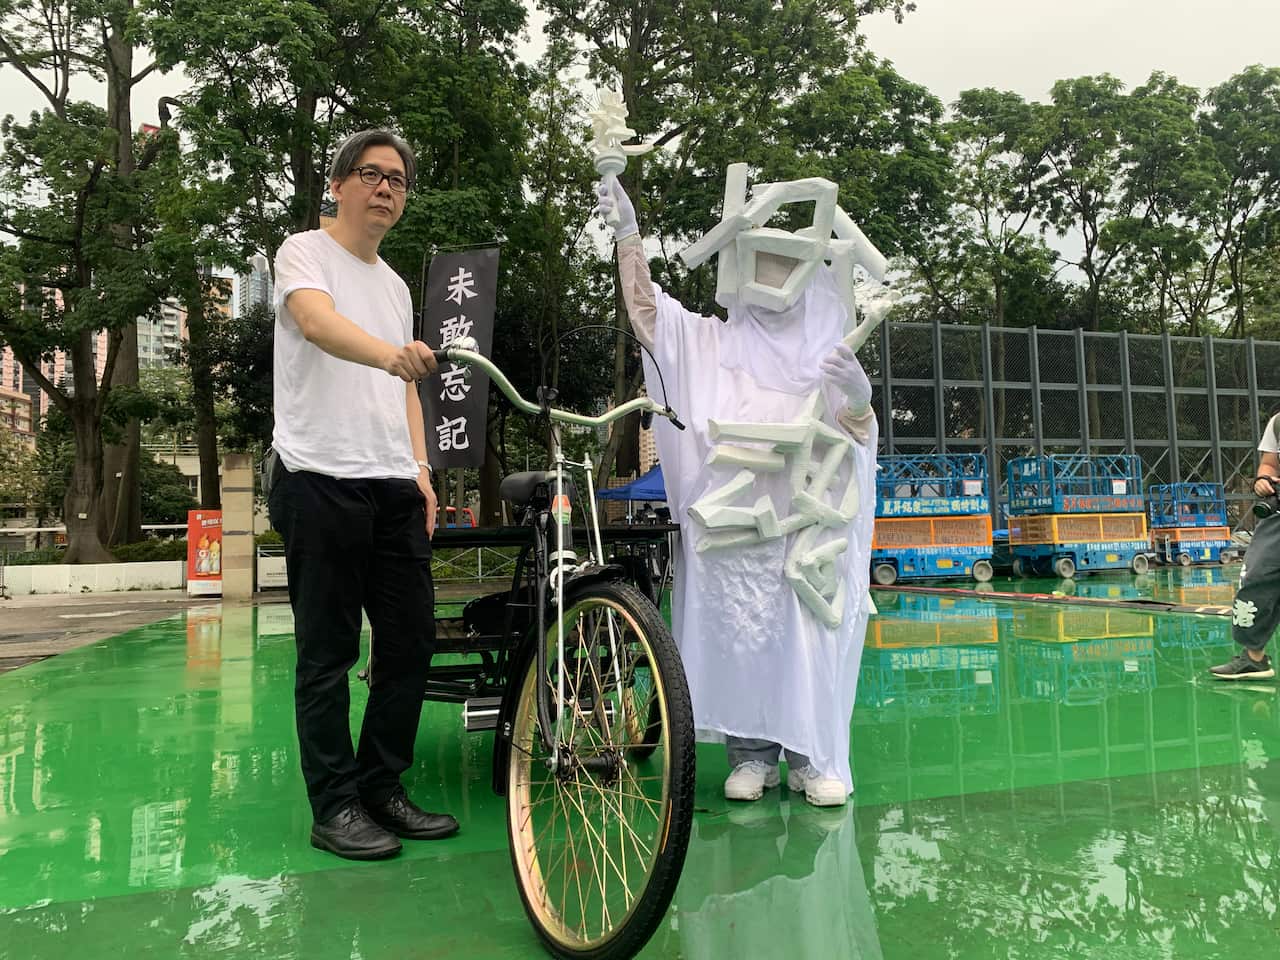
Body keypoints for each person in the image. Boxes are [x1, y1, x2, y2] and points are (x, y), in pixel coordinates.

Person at [596, 172, 882, 807]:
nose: (774, 277)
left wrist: (859, 400)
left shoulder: (829, 355)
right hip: (735, 542)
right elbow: (650, 319)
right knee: (741, 639)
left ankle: (813, 755)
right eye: (764, 261)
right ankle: (751, 752)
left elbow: (856, 445)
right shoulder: (712, 343)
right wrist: (628, 235)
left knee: (807, 640)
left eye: (787, 263)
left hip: (805, 539)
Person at [268, 128, 458, 859]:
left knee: (409, 643)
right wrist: (390, 354)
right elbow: (316, 324)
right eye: (373, 174)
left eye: (399, 181)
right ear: (340, 184)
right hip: (318, 475)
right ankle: (335, 806)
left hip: (390, 484)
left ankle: (382, 789)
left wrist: (421, 468)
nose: (387, 188)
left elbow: (407, 384)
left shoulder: (395, 284)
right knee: (328, 652)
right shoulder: (303, 252)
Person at [1212, 411, 1280, 680]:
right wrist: (1263, 480)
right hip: (1276, 517)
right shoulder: (1278, 422)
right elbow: (1269, 464)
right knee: (1256, 576)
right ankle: (1254, 658)